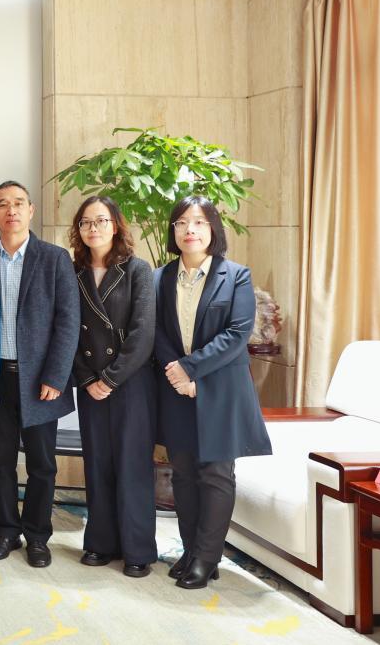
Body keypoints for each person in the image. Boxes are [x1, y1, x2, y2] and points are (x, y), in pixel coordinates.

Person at [155, 195, 271, 589]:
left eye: (199, 222)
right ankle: (191, 551)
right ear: (174, 231)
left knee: (217, 474)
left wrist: (191, 371)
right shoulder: (159, 277)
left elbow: (237, 334)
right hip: (175, 388)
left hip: (220, 389)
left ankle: (207, 558)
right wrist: (176, 372)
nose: (190, 229)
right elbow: (156, 330)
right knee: (183, 474)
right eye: (182, 223)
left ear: (212, 229)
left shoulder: (235, 276)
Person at [0, 180, 78, 568]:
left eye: (19, 203)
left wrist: (56, 376)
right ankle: (6, 531)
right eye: (3, 204)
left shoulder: (55, 259)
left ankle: (38, 536)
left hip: (40, 381)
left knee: (42, 464)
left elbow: (68, 322)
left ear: (31, 210)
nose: (12, 210)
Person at [68, 196, 157, 578]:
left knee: (132, 465)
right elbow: (66, 331)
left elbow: (143, 332)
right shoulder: (72, 272)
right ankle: (101, 543)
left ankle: (138, 549)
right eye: (86, 222)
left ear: (116, 225)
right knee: (98, 463)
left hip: (130, 383)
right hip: (90, 384)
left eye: (101, 220)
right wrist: (88, 378)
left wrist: (111, 377)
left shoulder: (138, 270)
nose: (94, 228)